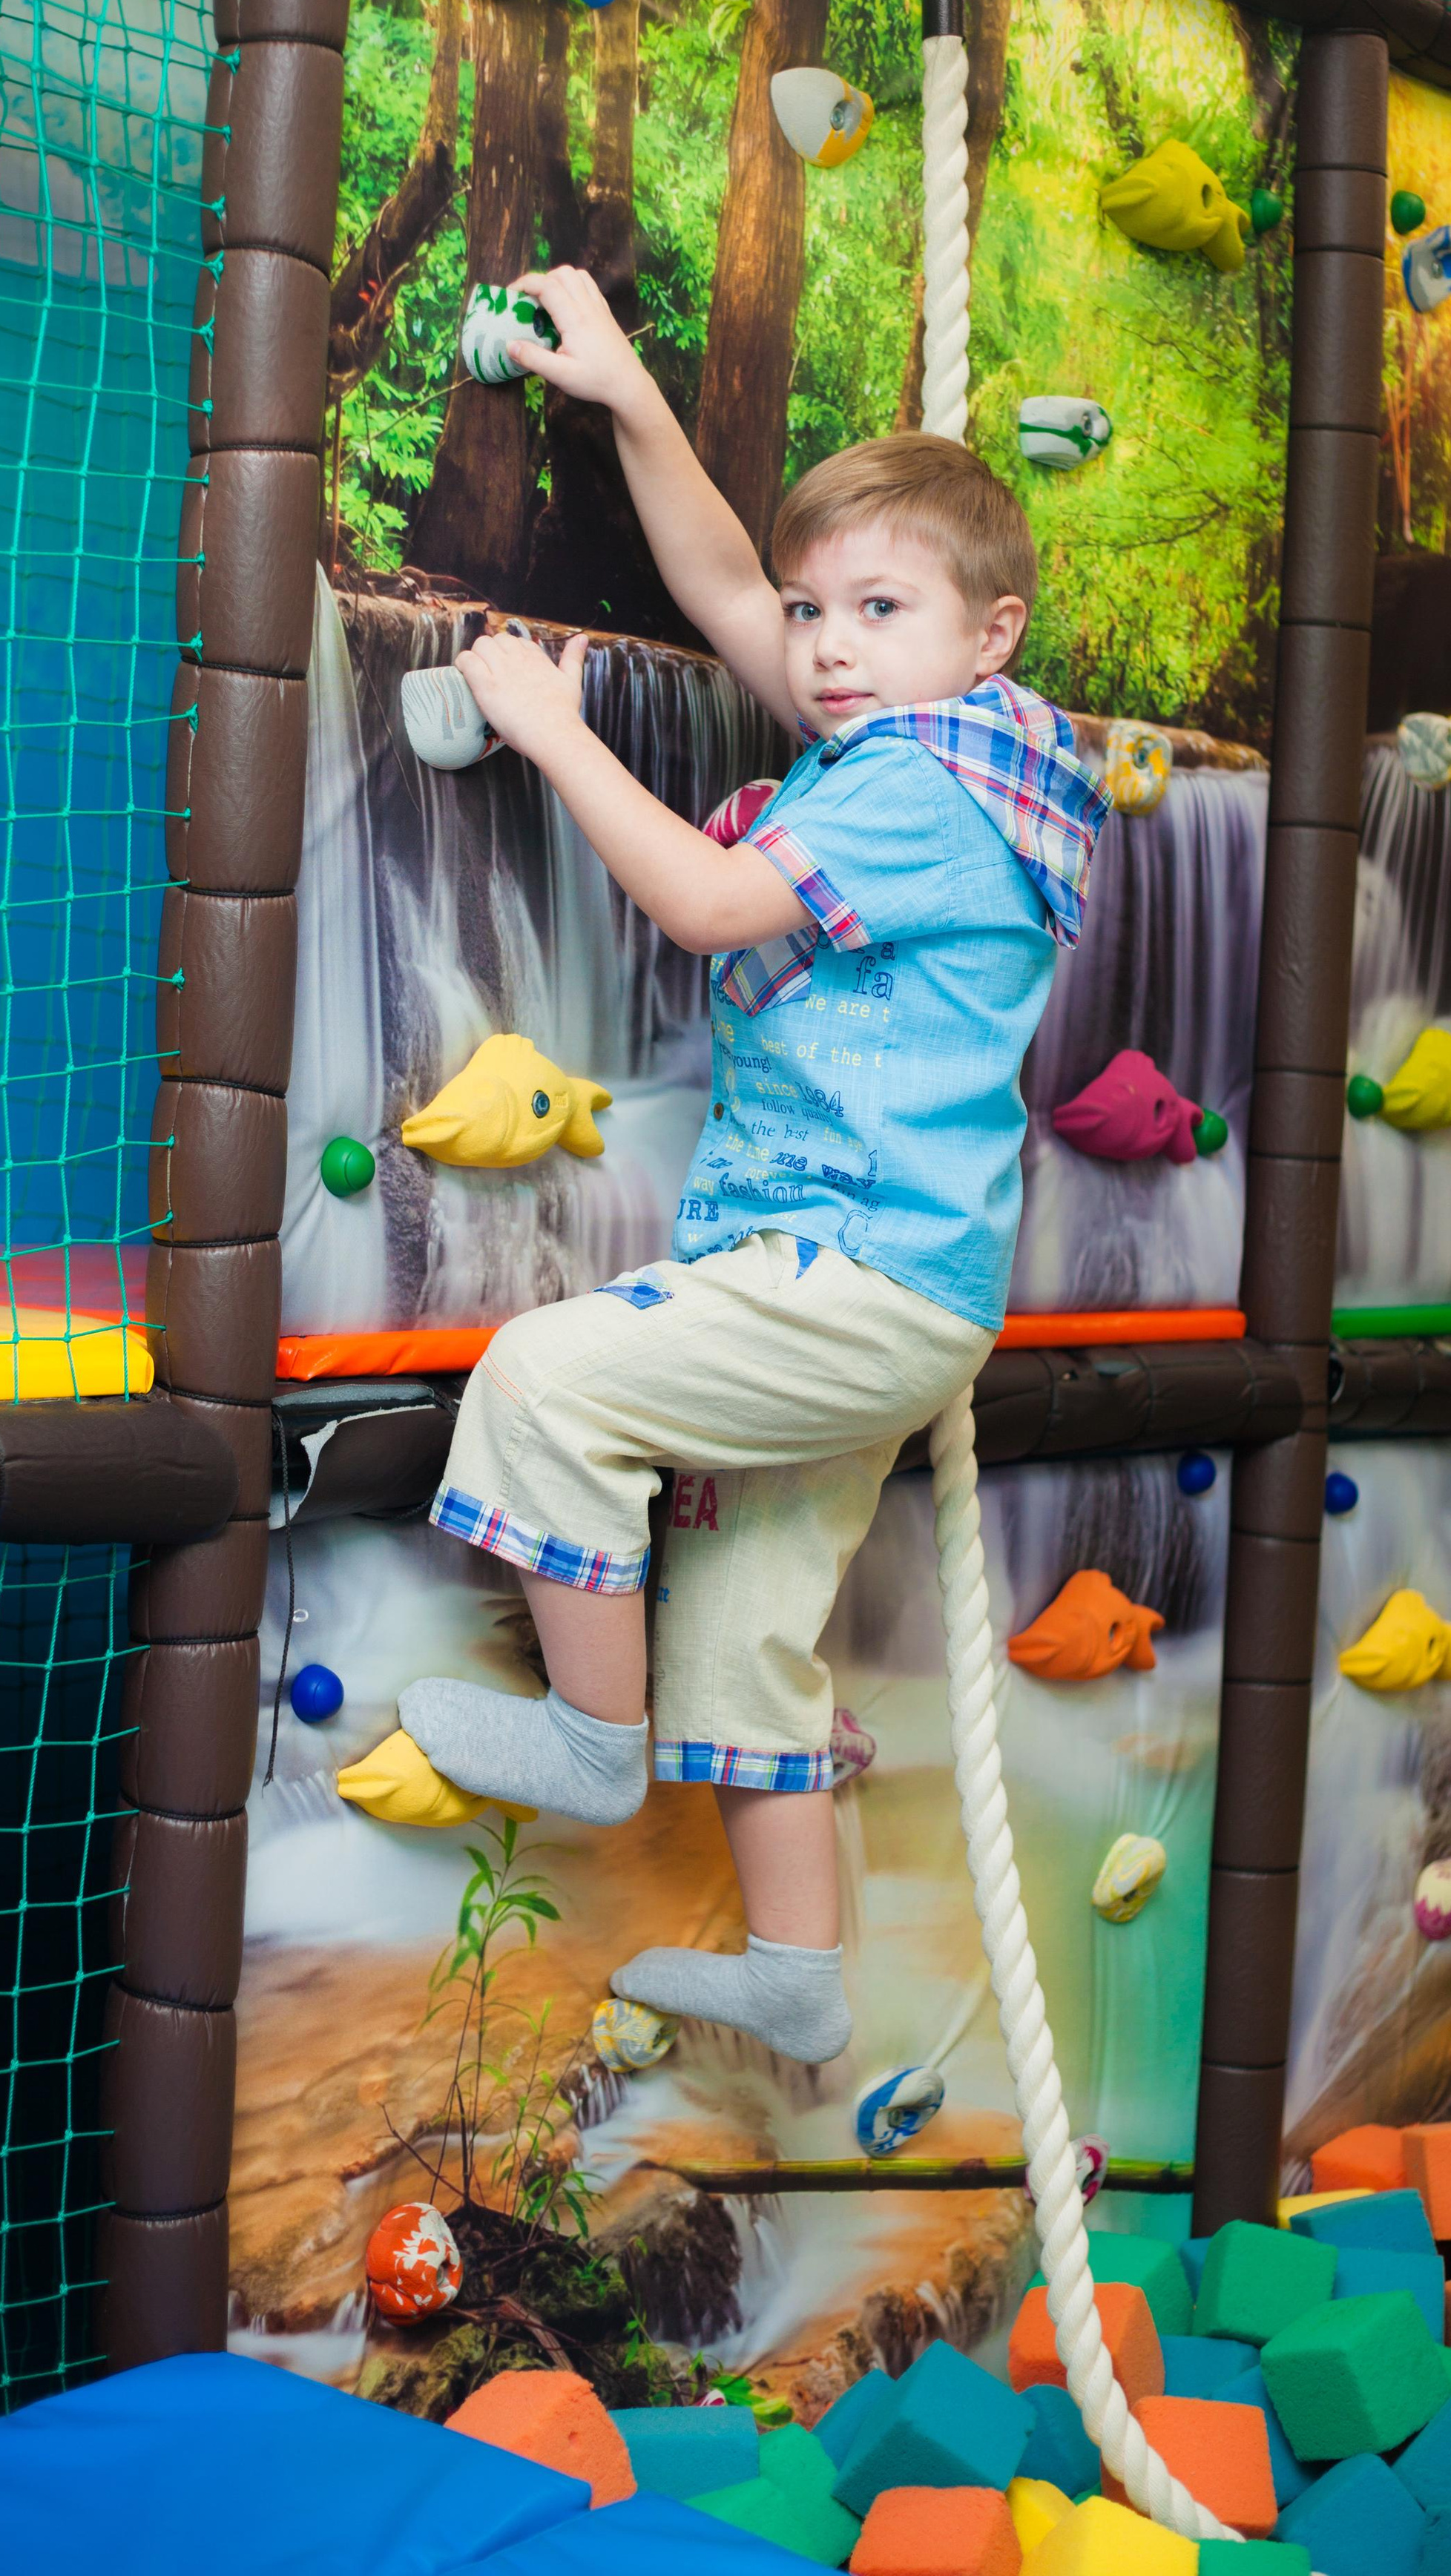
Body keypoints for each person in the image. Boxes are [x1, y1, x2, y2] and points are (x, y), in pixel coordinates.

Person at [397, 264, 1108, 2066]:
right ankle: (797, 1971)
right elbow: (725, 578)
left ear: (990, 632)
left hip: (842, 1267)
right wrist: (628, 394)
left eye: (876, 608)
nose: (821, 644)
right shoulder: (968, 760)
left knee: (549, 1380)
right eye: (817, 614)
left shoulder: (907, 788)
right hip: (902, 1292)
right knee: (742, 1624)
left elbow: (712, 899)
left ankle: (583, 1740)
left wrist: (554, 733)